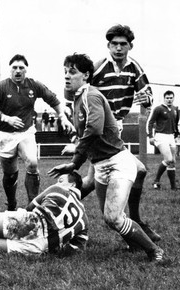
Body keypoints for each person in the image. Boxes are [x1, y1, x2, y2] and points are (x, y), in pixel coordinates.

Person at [49, 53, 163, 262]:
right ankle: (133, 243)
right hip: (100, 165)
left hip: (118, 162)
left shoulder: (90, 95)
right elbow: (88, 136)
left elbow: (94, 129)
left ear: (86, 75)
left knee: (113, 217)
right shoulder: (77, 100)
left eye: (72, 72)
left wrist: (75, 156)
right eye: (65, 72)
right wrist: (75, 159)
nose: (67, 76)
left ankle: (154, 251)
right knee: (111, 218)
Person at [68, 24, 161, 243]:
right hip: (101, 127)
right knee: (131, 171)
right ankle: (57, 207)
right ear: (108, 45)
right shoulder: (99, 67)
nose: (118, 48)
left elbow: (147, 95)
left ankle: (59, 205)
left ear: (130, 46)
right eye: (114, 44)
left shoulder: (134, 67)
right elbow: (81, 92)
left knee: (97, 178)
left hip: (114, 125)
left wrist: (146, 99)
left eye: (123, 44)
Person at [0, 54, 74, 211]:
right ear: (10, 70)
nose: (18, 71)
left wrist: (63, 118)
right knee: (10, 174)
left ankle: (33, 206)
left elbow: (53, 100)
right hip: (5, 135)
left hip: (26, 132)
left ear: (26, 70)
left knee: (32, 163)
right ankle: (11, 203)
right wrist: (6, 118)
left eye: (21, 68)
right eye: (14, 68)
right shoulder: (1, 87)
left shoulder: (34, 85)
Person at [147, 90, 179, 190]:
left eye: (171, 98)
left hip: (171, 136)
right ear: (164, 98)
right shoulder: (158, 109)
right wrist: (150, 136)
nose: (169, 100)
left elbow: (175, 122)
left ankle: (173, 187)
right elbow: (150, 122)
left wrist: (176, 133)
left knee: (172, 161)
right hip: (160, 136)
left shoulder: (175, 109)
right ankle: (156, 180)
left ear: (173, 98)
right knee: (168, 159)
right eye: (167, 98)